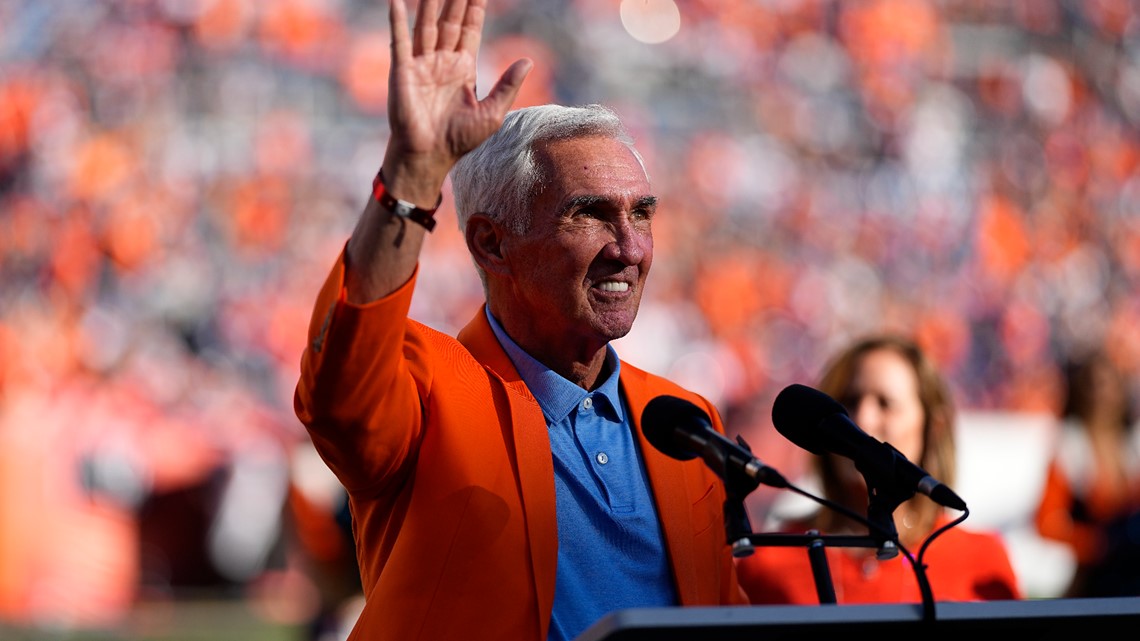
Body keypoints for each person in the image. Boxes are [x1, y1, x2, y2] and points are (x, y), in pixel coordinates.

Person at [292, 1, 747, 640]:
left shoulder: (684, 423)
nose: (629, 247)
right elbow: (340, 385)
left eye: (641, 214)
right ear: (491, 244)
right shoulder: (427, 391)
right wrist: (413, 175)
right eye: (589, 214)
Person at [737, 335, 1021, 604]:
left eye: (885, 404)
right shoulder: (768, 561)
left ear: (933, 428)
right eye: (848, 402)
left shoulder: (982, 560)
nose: (863, 419)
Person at [1034, 348, 1140, 597]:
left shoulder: (1133, 445)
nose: (1101, 395)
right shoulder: (1070, 448)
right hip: (1095, 581)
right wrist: (1096, 545)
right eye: (1092, 385)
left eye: (1108, 384)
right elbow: (1047, 522)